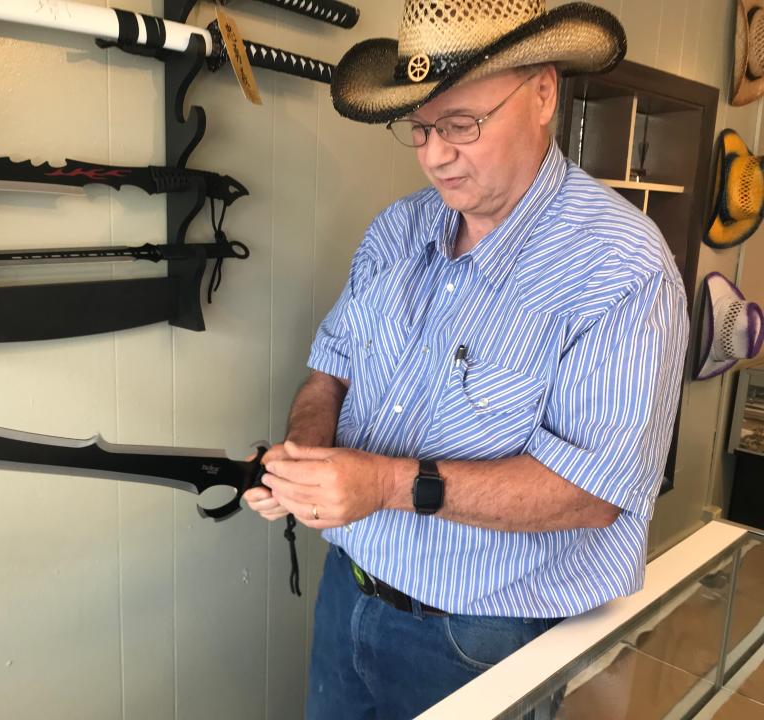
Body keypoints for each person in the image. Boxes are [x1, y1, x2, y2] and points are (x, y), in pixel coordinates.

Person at [245, 1, 690, 718]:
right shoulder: (397, 229)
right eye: (419, 127)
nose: (434, 155)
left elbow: (591, 493)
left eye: (461, 125)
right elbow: (330, 370)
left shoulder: (621, 268)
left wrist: (387, 484)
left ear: (543, 92)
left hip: (486, 635)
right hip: (347, 594)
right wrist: (304, 453)